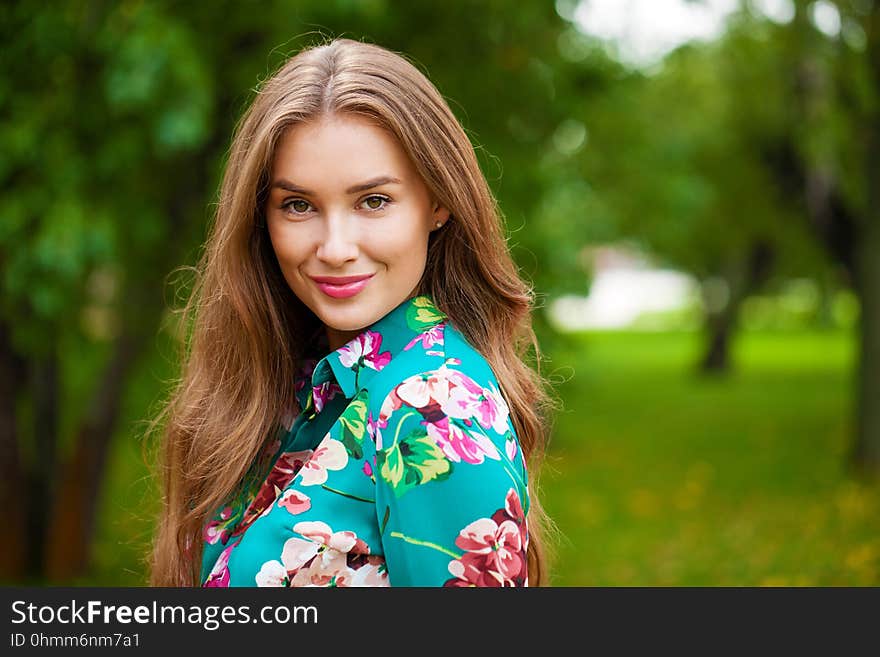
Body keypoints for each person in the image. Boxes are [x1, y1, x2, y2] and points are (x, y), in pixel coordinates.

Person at [148, 36, 557, 587]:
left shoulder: (434, 410)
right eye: (298, 205)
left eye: (374, 201)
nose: (335, 248)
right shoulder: (296, 383)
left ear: (437, 202)